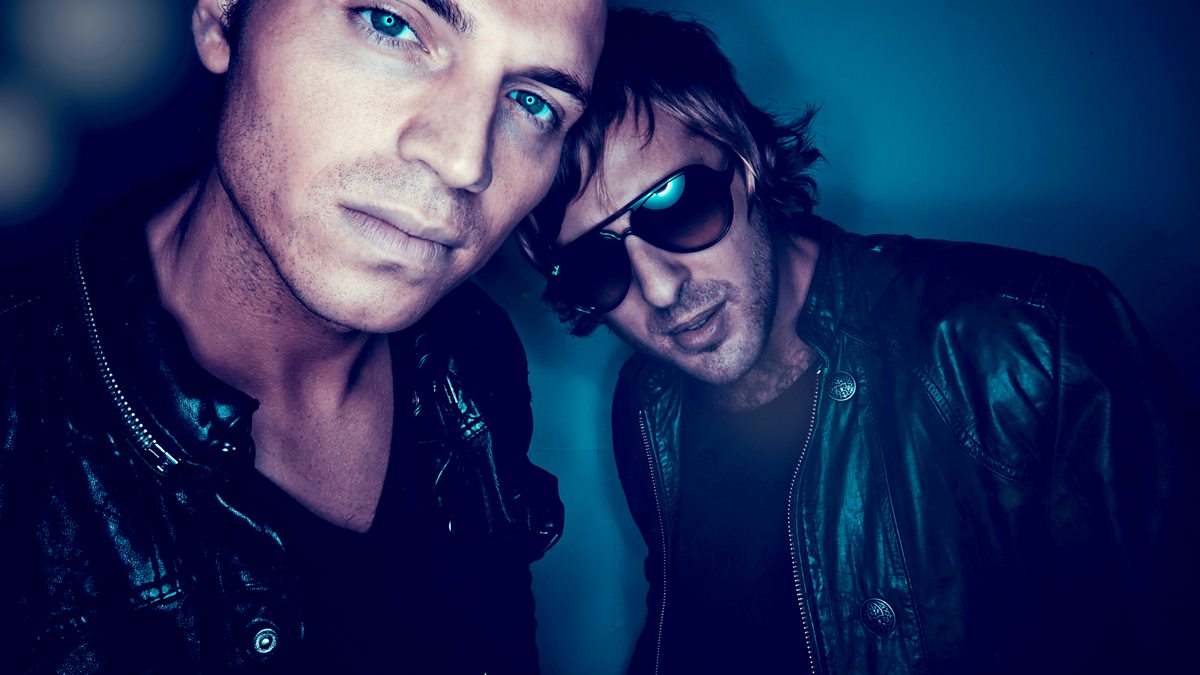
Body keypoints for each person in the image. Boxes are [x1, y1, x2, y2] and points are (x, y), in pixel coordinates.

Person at [518, 8, 1200, 674]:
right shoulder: (646, 402)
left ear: (745, 162)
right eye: (593, 262)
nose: (660, 289)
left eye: (674, 205)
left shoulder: (1034, 344)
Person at [0, 0, 603, 672]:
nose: (465, 160)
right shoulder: (19, 418)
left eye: (533, 102)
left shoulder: (472, 353)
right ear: (222, 16)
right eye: (392, 24)